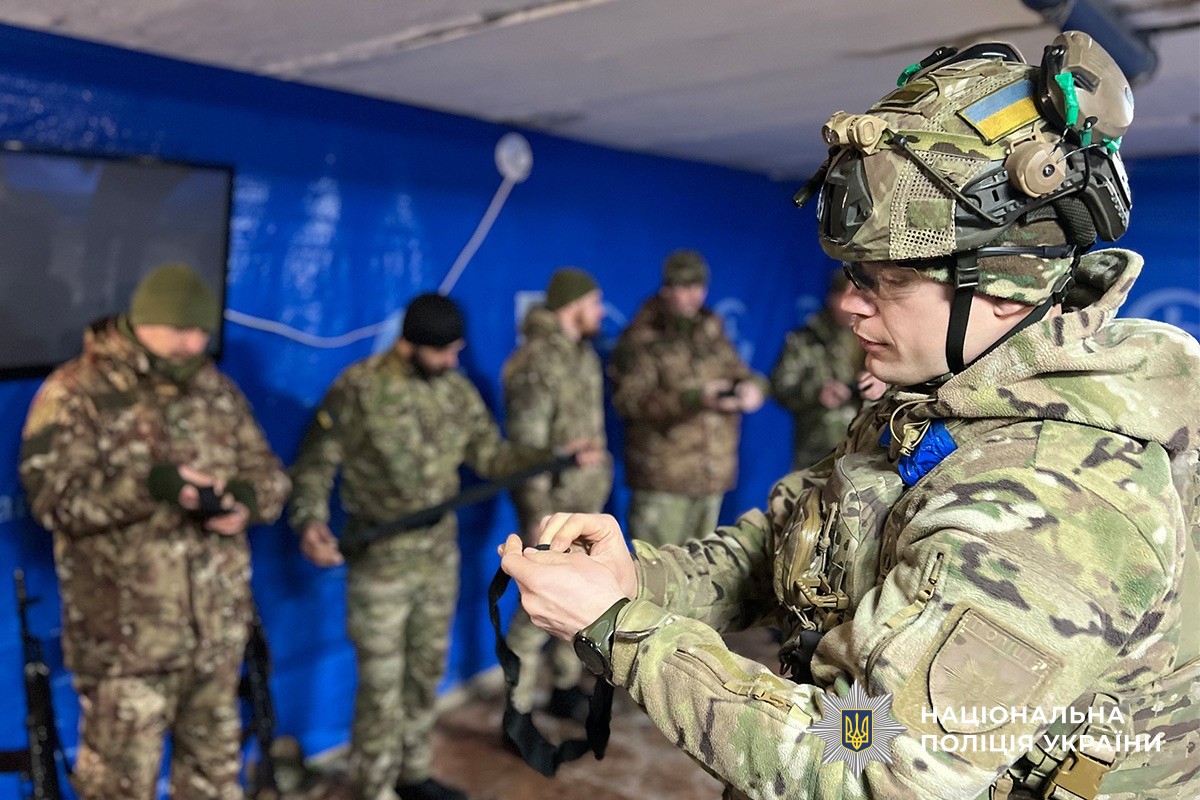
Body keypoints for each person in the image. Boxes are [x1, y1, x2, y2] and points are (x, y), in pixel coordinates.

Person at [499, 33, 1199, 800]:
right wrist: (638, 579)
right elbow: (792, 535)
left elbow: (866, 756)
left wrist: (623, 630)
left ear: (1003, 288)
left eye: (885, 282)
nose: (848, 305)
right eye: (851, 277)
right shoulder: (947, 391)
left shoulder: (1053, 505)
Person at [288, 292, 597, 800]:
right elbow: (315, 465)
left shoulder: (455, 391)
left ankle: (412, 772)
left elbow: (490, 455)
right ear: (410, 345)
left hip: (437, 555)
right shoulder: (359, 389)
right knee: (382, 683)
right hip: (381, 562)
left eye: (458, 350)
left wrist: (554, 456)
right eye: (443, 352)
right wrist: (309, 524)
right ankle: (374, 785)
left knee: (426, 670)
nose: (453, 361)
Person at [19, 263, 291, 800]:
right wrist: (154, 486)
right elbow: (53, 499)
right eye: (179, 330)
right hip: (126, 650)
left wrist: (249, 501)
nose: (193, 343)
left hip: (214, 637)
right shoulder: (74, 391)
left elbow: (271, 475)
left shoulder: (216, 389)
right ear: (142, 322)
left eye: (202, 332)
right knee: (120, 789)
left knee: (216, 784)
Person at [501, 268, 613, 724]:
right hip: (552, 513)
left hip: (584, 506)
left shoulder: (580, 354)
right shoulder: (535, 363)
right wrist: (535, 514)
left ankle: (565, 686)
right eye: (596, 302)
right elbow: (526, 452)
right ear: (574, 305)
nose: (602, 312)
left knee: (580, 605)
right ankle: (517, 710)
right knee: (533, 616)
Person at [609, 249, 766, 546]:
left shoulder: (710, 326)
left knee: (700, 576)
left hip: (711, 477)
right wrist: (694, 398)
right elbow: (629, 401)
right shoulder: (642, 336)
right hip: (664, 480)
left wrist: (753, 387)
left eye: (699, 286)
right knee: (658, 578)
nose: (695, 295)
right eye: (685, 287)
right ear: (667, 289)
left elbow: (739, 371)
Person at [771, 268, 887, 470]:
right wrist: (818, 392)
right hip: (816, 453)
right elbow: (780, 387)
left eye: (863, 296)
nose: (855, 306)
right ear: (833, 298)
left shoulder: (876, 339)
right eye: (849, 295)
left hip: (867, 452)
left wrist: (881, 383)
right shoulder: (804, 339)